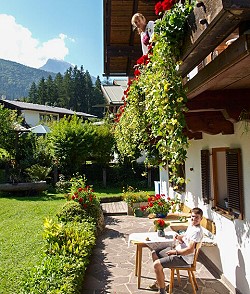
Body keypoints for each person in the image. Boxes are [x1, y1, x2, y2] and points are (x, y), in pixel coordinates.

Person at [150, 207, 204, 294]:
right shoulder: (192, 225)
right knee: (154, 253)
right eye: (193, 217)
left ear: (201, 218)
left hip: (183, 259)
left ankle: (162, 291)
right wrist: (179, 237)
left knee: (156, 265)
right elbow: (186, 237)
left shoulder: (197, 232)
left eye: (197, 217)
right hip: (178, 252)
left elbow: (190, 250)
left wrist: (174, 252)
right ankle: (159, 282)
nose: (194, 219)